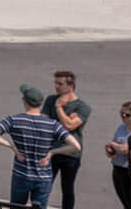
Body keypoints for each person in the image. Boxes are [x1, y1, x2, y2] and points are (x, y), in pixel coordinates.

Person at [0, 83, 80, 206]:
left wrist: (12, 147)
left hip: (21, 174)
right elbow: (75, 146)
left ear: (23, 101)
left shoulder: (14, 120)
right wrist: (52, 152)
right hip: (43, 177)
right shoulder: (52, 124)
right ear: (41, 104)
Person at [42, 70, 92, 209]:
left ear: (71, 86)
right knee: (44, 186)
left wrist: (59, 108)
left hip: (70, 154)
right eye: (55, 83)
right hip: (50, 151)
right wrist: (65, 119)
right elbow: (44, 123)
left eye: (60, 84)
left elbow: (69, 126)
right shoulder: (50, 99)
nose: (56, 86)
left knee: (67, 189)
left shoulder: (83, 107)